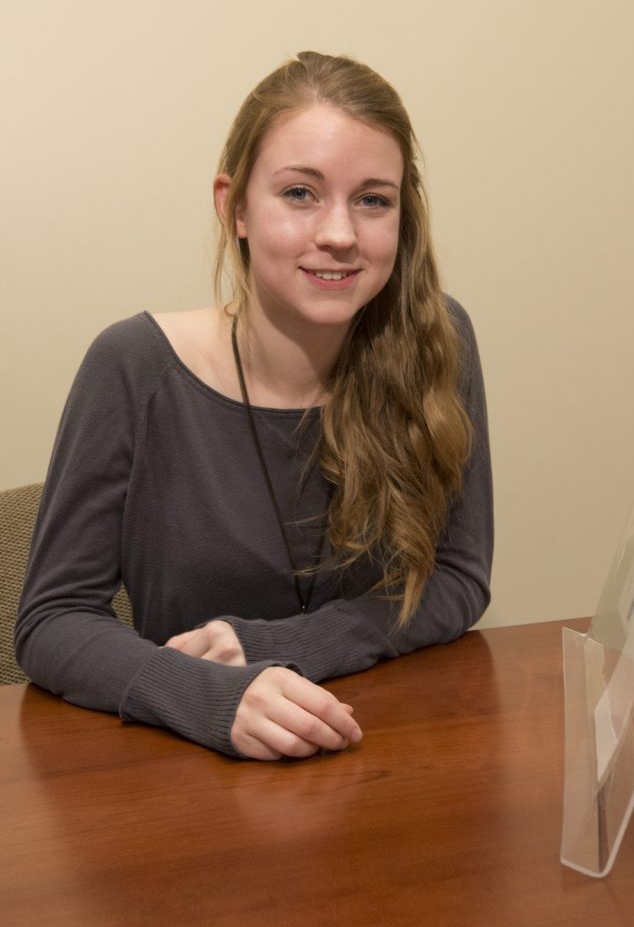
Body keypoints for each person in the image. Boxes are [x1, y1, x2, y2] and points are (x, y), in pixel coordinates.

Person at [15, 51, 493, 760]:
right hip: (190, 775)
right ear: (233, 206)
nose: (339, 233)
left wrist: (284, 645)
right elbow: (52, 622)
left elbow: (458, 578)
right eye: (301, 194)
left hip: (382, 756)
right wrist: (209, 695)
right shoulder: (133, 368)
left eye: (372, 199)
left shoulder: (435, 340)